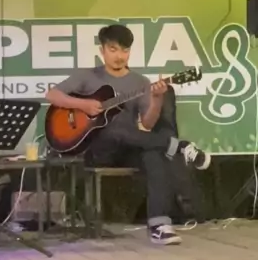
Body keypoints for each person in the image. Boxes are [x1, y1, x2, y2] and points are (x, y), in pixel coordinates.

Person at [45, 23, 211, 246]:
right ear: (102, 50)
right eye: (113, 49)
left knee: (153, 154)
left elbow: (148, 124)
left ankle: (159, 225)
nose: (119, 56)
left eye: (125, 50)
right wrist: (83, 104)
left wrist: (157, 99)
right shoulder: (87, 76)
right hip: (98, 150)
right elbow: (52, 95)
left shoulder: (140, 82)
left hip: (129, 147)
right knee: (111, 127)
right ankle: (179, 146)